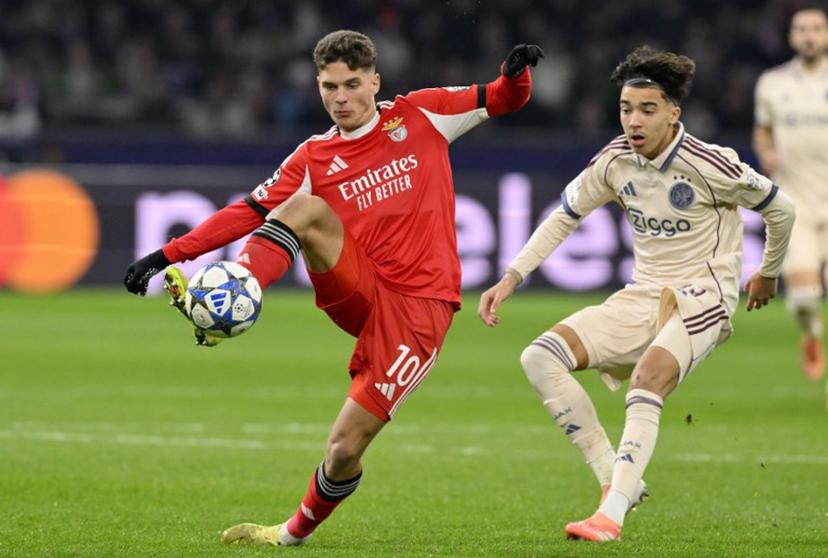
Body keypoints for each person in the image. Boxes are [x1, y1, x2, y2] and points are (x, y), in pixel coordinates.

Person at [124, 30, 542, 546]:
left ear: (375, 82)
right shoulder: (313, 156)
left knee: (343, 450)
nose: (340, 98)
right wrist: (167, 255)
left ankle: (292, 533)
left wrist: (515, 74)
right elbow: (248, 212)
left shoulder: (422, 114)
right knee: (304, 208)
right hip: (359, 289)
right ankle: (238, 291)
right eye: (328, 87)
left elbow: (503, 99)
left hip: (419, 309)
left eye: (351, 85)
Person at [479, 46, 795, 542]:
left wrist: (768, 272)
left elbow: (782, 209)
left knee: (646, 380)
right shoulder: (614, 161)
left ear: (674, 113)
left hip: (705, 295)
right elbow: (565, 216)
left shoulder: (710, 164)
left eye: (648, 109)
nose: (634, 120)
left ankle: (610, 516)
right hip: (643, 293)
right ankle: (614, 476)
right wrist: (512, 276)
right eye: (626, 109)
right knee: (539, 357)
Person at [753, 6, 828, 382]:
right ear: (792, 37)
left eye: (816, 28)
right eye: (802, 29)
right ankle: (811, 333)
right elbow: (762, 130)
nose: (809, 35)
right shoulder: (772, 83)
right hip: (796, 205)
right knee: (803, 299)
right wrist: (767, 151)